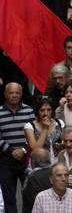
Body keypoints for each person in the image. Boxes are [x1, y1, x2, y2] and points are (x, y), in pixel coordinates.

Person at [0, 83, 34, 213]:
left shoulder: (29, 110)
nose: (14, 95)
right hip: (6, 159)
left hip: (26, 159)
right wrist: (11, 150)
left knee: (29, 194)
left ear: (21, 94)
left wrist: (24, 150)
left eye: (17, 93)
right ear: (5, 94)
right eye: (11, 93)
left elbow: (33, 132)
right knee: (9, 197)